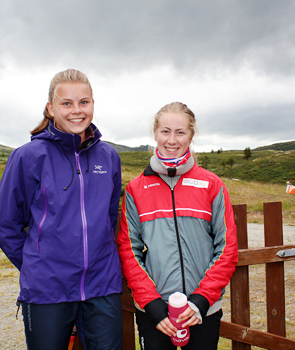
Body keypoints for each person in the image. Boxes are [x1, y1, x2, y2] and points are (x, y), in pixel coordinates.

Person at [0, 69, 123, 350]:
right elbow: (7, 226)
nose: (77, 111)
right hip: (47, 288)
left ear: (92, 104)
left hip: (102, 285)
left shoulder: (109, 156)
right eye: (67, 103)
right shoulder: (27, 157)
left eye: (84, 102)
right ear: (51, 108)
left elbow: (110, 218)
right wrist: (36, 264)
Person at [117, 102, 239, 350]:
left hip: (202, 309)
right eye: (165, 131)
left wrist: (201, 300)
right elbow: (129, 250)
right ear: (155, 133)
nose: (172, 140)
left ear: (191, 136)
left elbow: (227, 248)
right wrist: (151, 303)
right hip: (155, 312)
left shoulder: (212, 185)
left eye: (180, 132)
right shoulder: (135, 189)